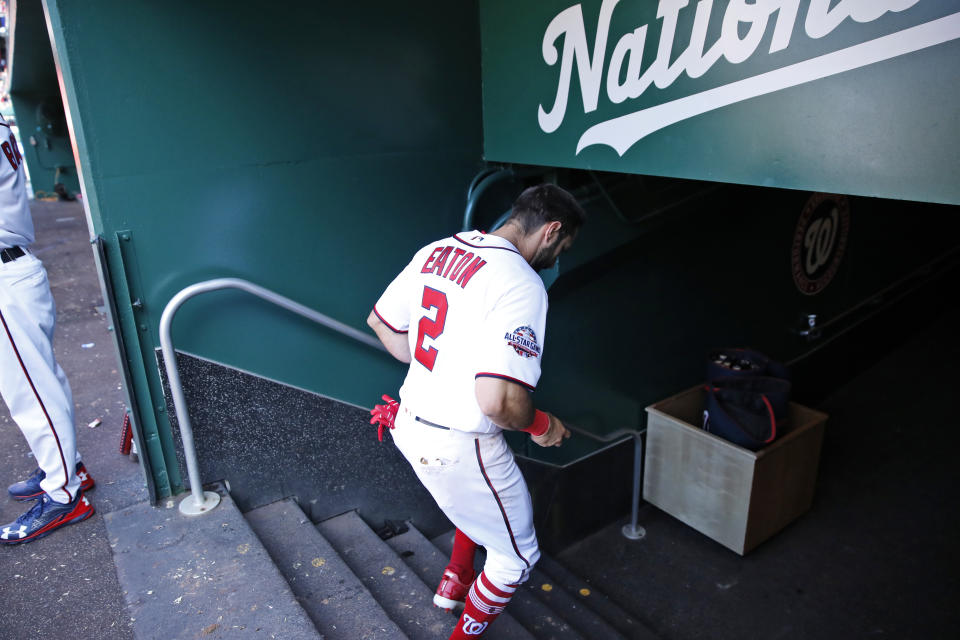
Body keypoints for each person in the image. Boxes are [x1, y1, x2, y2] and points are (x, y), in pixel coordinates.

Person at [367, 183, 586, 639]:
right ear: (551, 231)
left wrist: (439, 357)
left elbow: (382, 324)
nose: (557, 256)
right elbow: (499, 402)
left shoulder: (440, 248)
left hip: (409, 422)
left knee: (479, 505)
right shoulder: (522, 282)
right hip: (458, 443)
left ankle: (455, 581)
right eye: (563, 246)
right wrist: (543, 426)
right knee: (517, 559)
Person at [0, 111, 94, 545]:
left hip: (7, 278)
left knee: (33, 395)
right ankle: (66, 467)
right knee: (41, 386)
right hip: (15, 272)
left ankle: (64, 496)